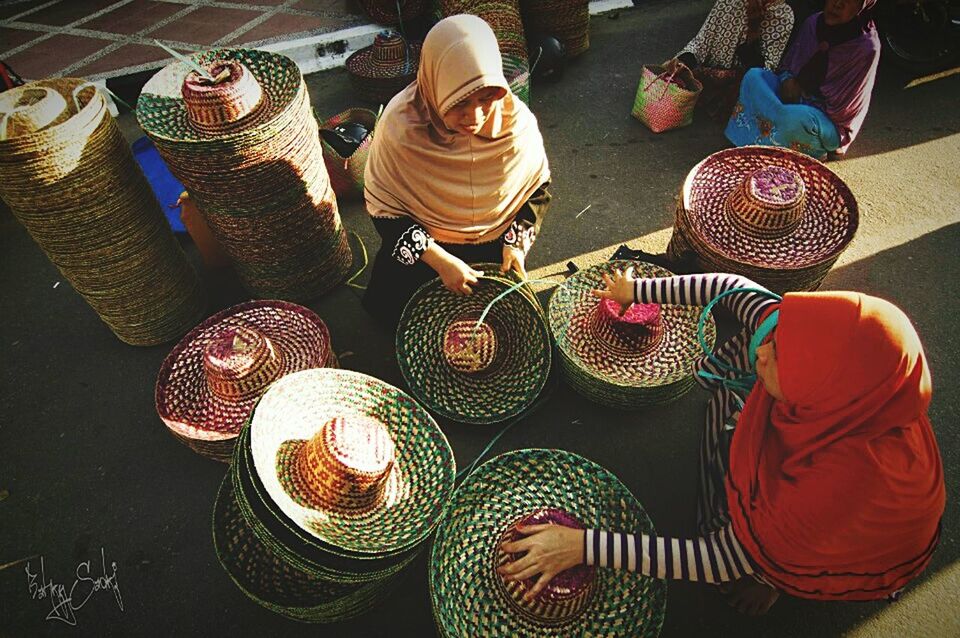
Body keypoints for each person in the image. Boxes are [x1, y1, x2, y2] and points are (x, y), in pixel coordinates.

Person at [499, 270, 945, 615]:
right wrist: (636, 292)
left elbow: (720, 558)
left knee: (747, 557)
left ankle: (774, 580)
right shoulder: (856, 388)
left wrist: (580, 545)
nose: (764, 351)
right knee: (738, 381)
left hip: (845, 544)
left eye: (782, 357)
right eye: (777, 334)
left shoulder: (835, 491)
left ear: (823, 395)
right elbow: (730, 289)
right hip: (812, 465)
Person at [361, 14, 551, 331]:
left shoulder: (514, 121)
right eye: (460, 102)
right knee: (406, 319)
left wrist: (515, 244)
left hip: (493, 243)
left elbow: (538, 189)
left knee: (500, 327)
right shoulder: (402, 125)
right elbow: (385, 214)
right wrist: (441, 261)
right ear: (436, 84)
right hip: (425, 246)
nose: (475, 116)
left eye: (485, 98)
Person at [725, 0, 881, 159]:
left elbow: (842, 112)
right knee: (754, 77)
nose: (838, 4)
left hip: (825, 120)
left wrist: (801, 96)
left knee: (793, 118)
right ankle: (760, 141)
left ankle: (798, 149)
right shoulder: (814, 23)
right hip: (795, 98)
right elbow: (788, 66)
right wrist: (787, 79)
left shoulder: (865, 48)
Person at [663, 0, 794, 121]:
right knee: (677, 69)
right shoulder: (729, 2)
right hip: (709, 73)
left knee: (747, 83)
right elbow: (701, 42)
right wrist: (683, 61)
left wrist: (753, 32)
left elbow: (765, 71)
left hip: (738, 84)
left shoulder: (783, 16)